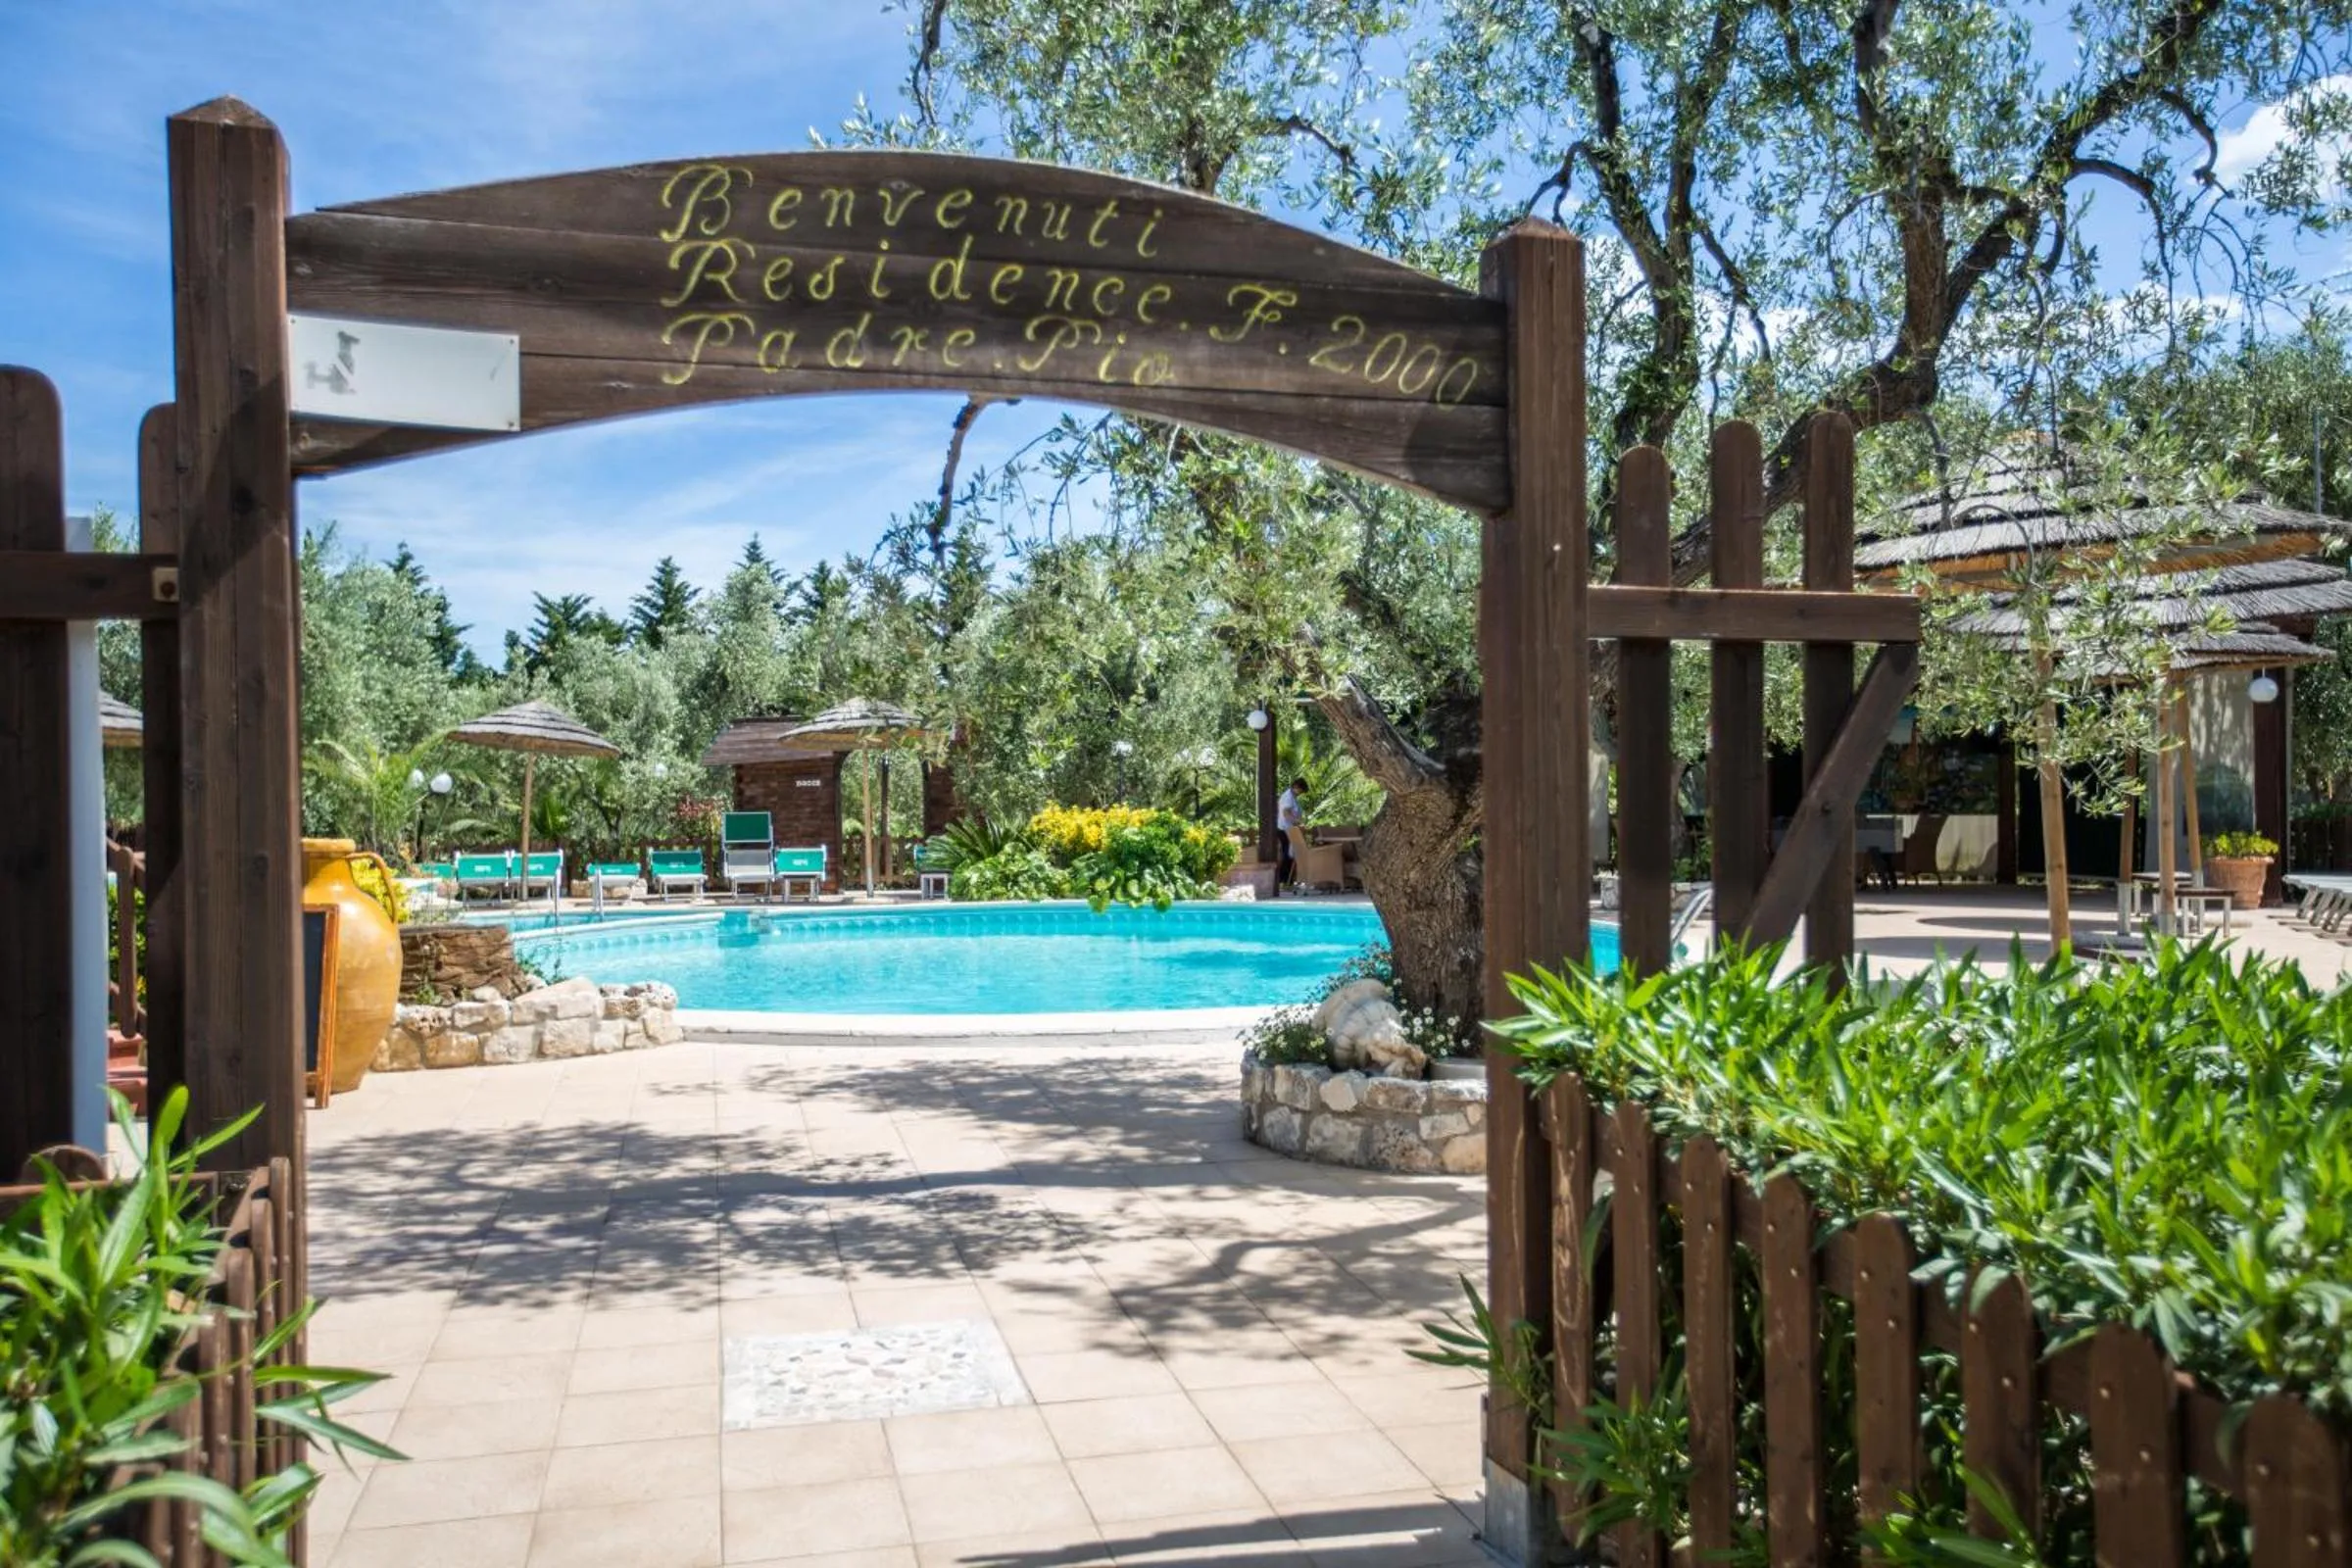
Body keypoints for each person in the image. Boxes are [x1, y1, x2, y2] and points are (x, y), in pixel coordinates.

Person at [1277, 776, 1308, 890]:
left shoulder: (1292, 797)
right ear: (1296, 787)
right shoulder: (1288, 797)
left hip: (1289, 829)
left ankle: (1289, 881)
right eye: (1300, 791)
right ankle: (1284, 881)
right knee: (1287, 854)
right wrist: (1299, 822)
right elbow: (1286, 813)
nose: (1300, 793)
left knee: (1290, 854)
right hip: (1285, 829)